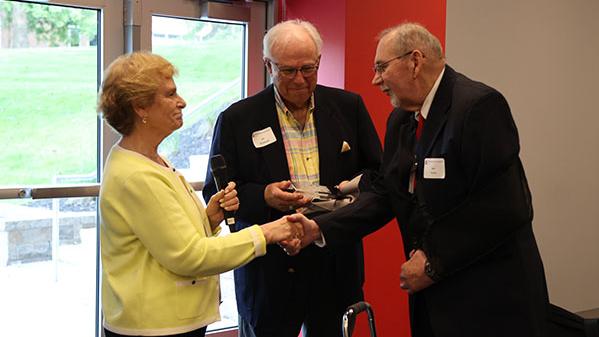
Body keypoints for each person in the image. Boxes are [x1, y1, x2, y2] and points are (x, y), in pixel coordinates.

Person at [289, 23, 549, 337]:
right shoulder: (401, 119)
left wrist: (432, 262)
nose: (376, 80)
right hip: (434, 297)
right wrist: (320, 227)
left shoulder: (478, 107)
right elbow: (388, 193)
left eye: (381, 68)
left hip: (489, 296)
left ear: (414, 61)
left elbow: (505, 207)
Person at [97, 51, 301, 337]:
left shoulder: (150, 160)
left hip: (170, 320)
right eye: (170, 94)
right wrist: (267, 233)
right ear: (140, 107)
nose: (182, 101)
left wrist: (209, 218)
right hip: (156, 327)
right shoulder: (136, 175)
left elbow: (166, 236)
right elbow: (189, 256)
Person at [202, 20, 382, 337]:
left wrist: (346, 195)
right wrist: (264, 196)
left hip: (334, 262)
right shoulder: (238, 119)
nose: (299, 80)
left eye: (307, 69)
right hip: (269, 270)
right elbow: (216, 194)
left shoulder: (347, 107)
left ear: (319, 63)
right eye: (287, 71)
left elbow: (377, 177)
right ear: (269, 66)